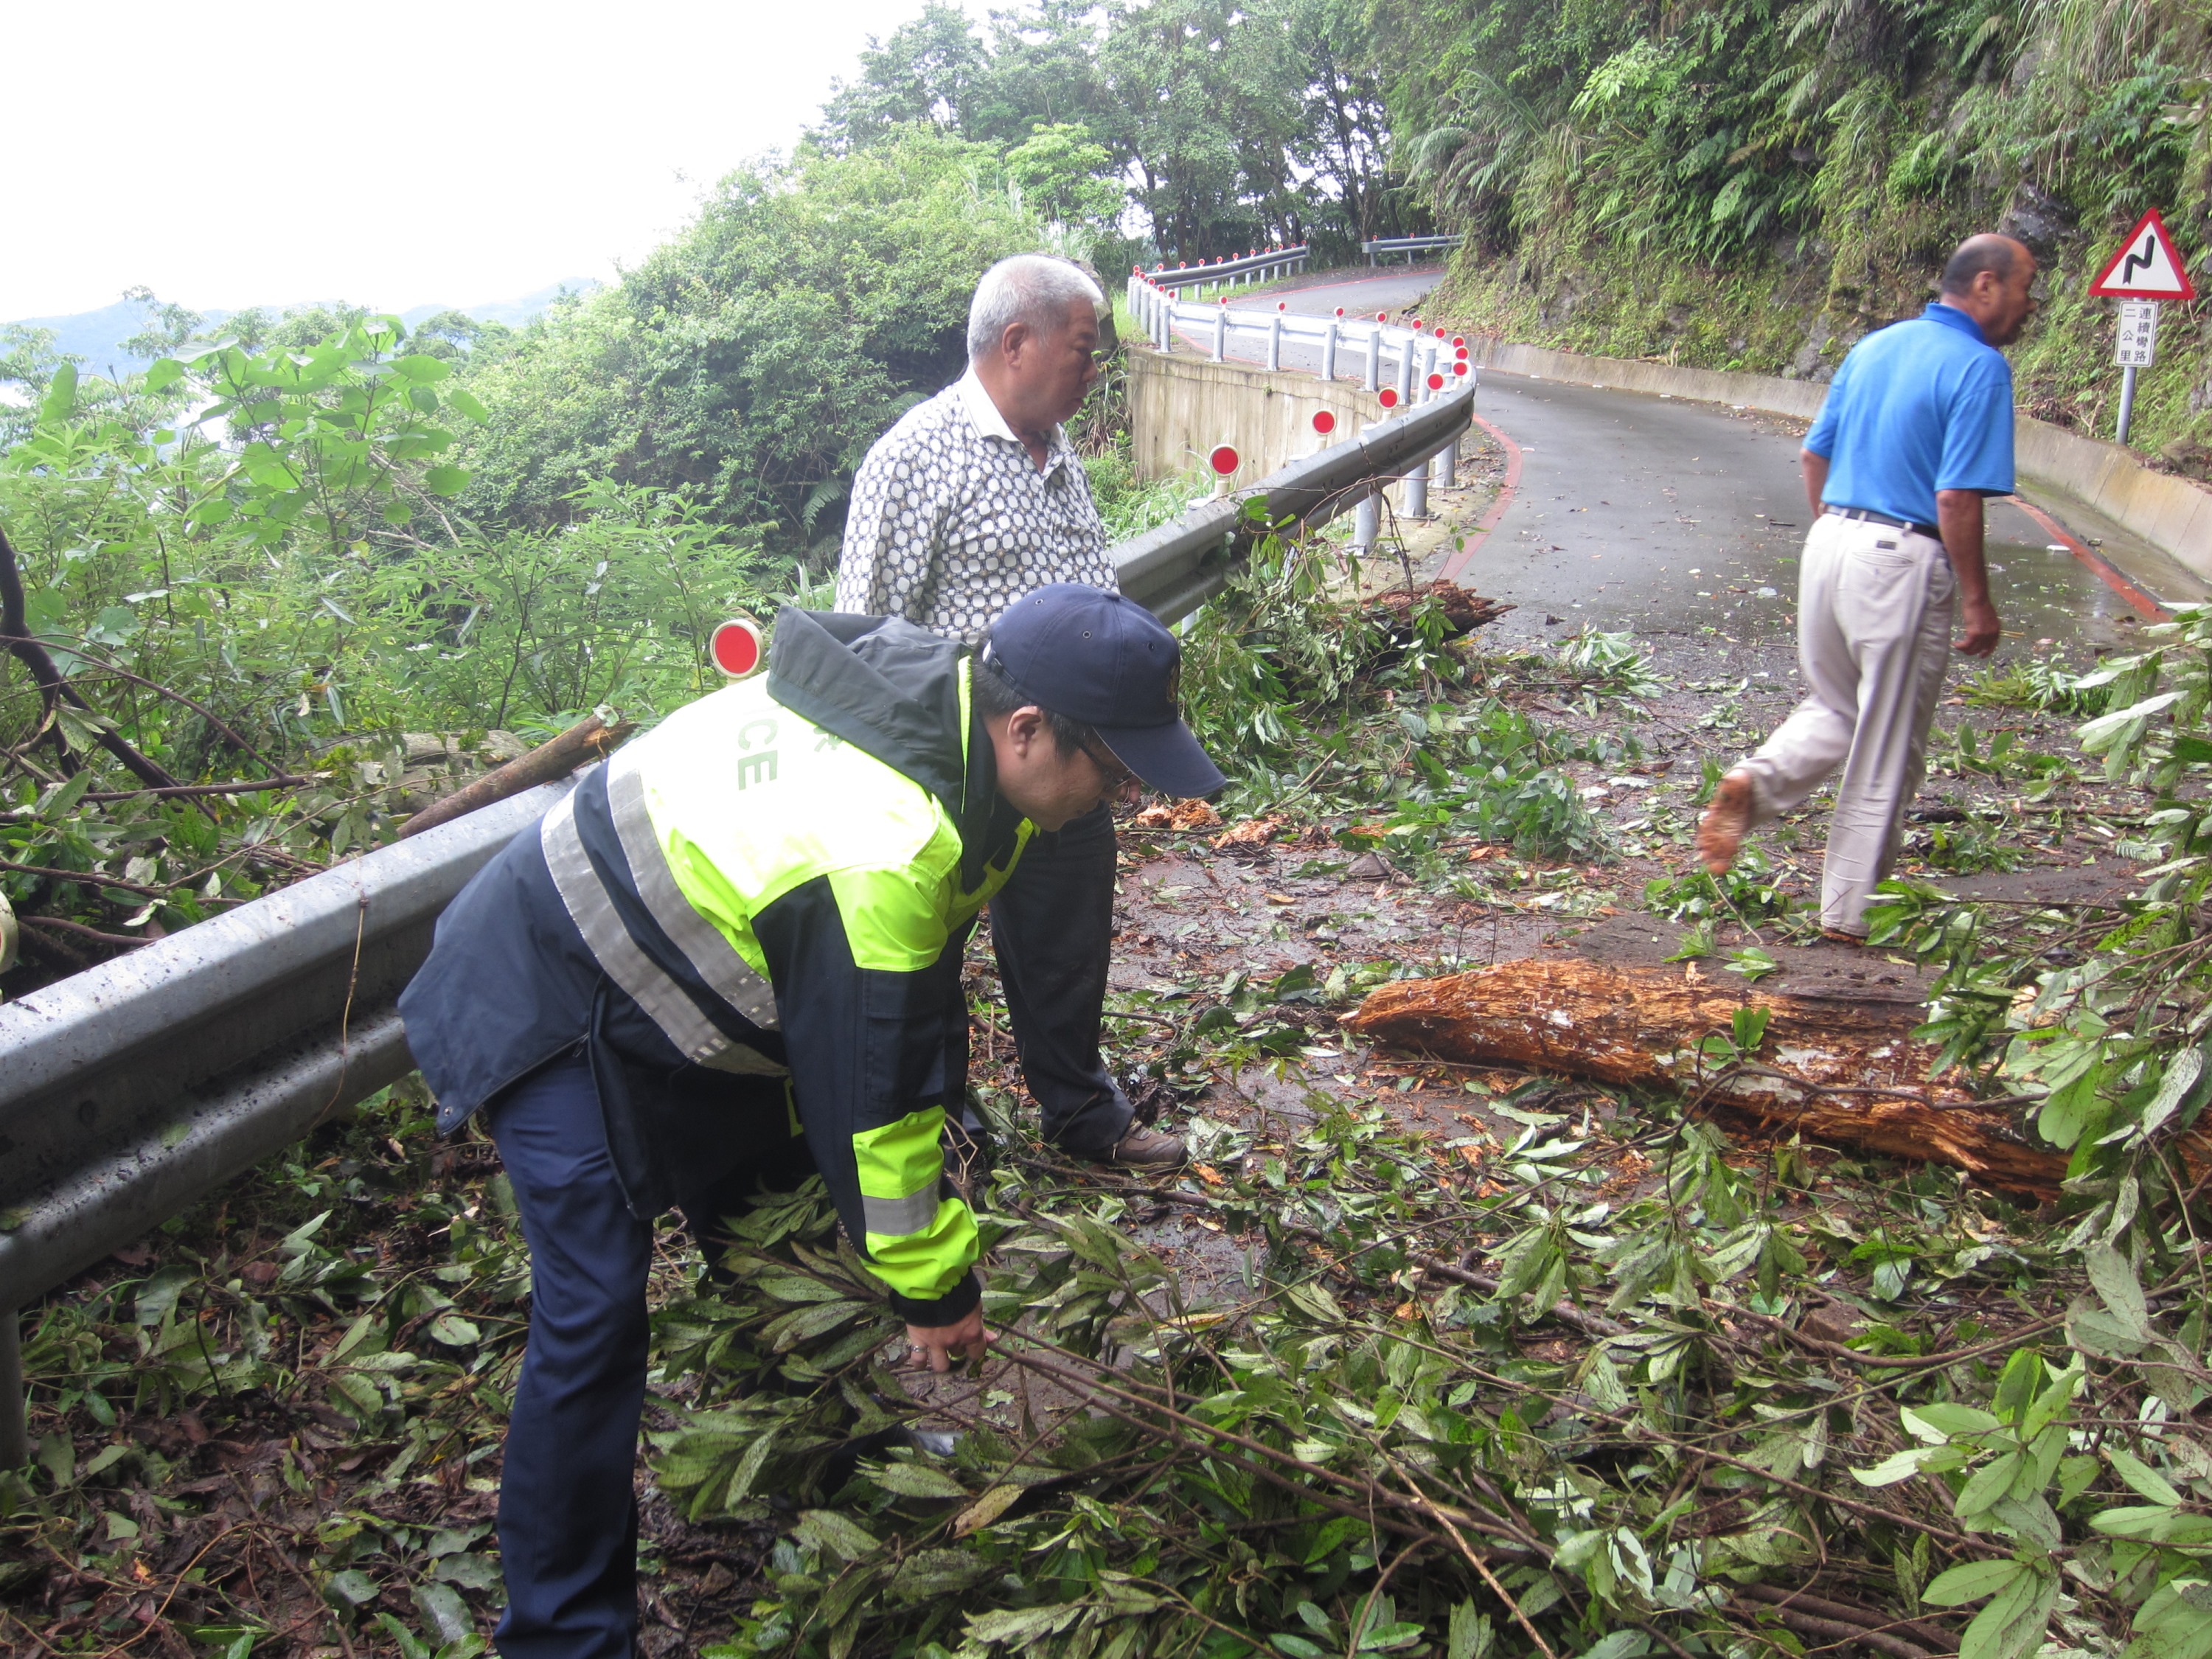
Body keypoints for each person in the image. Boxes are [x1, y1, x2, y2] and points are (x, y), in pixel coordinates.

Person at [398, 585, 1225, 1659]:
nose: (1118, 794)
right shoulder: (883, 836)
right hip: (556, 989)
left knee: (773, 1228)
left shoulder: (964, 735)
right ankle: (562, 1635)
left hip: (699, 980)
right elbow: (870, 1099)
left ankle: (817, 1463)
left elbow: (908, 1005)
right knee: (594, 1310)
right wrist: (936, 1285)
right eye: (1110, 768)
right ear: (1027, 730)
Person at [838, 254, 1183, 1167]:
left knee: (1069, 934)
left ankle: (1080, 1112)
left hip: (1064, 762)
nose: (1092, 368)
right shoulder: (913, 458)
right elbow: (868, 630)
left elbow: (1098, 597)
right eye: (1081, 348)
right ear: (1017, 341)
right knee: (928, 958)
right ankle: (948, 1125)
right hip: (954, 771)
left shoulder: (1062, 457)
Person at [1696, 233, 2036, 940]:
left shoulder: (1875, 346)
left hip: (1830, 541)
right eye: (2024, 288)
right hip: (1902, 555)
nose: (2028, 306)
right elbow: (1955, 500)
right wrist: (1978, 599)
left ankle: (1753, 787)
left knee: (1840, 705)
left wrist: (1836, 532)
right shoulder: (1980, 367)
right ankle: (1850, 919)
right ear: (1984, 286)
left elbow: (1813, 451)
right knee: (1887, 741)